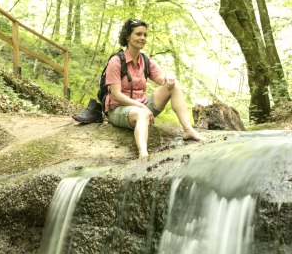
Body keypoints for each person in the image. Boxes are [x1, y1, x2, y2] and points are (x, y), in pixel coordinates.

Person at [76, 19, 205, 159]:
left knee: (173, 85)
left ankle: (187, 129)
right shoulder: (116, 61)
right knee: (141, 114)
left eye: (145, 35)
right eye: (138, 34)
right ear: (127, 37)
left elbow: (163, 79)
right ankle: (143, 154)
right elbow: (116, 95)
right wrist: (141, 107)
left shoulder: (145, 60)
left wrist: (169, 75)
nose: (142, 38)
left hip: (142, 106)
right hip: (119, 109)